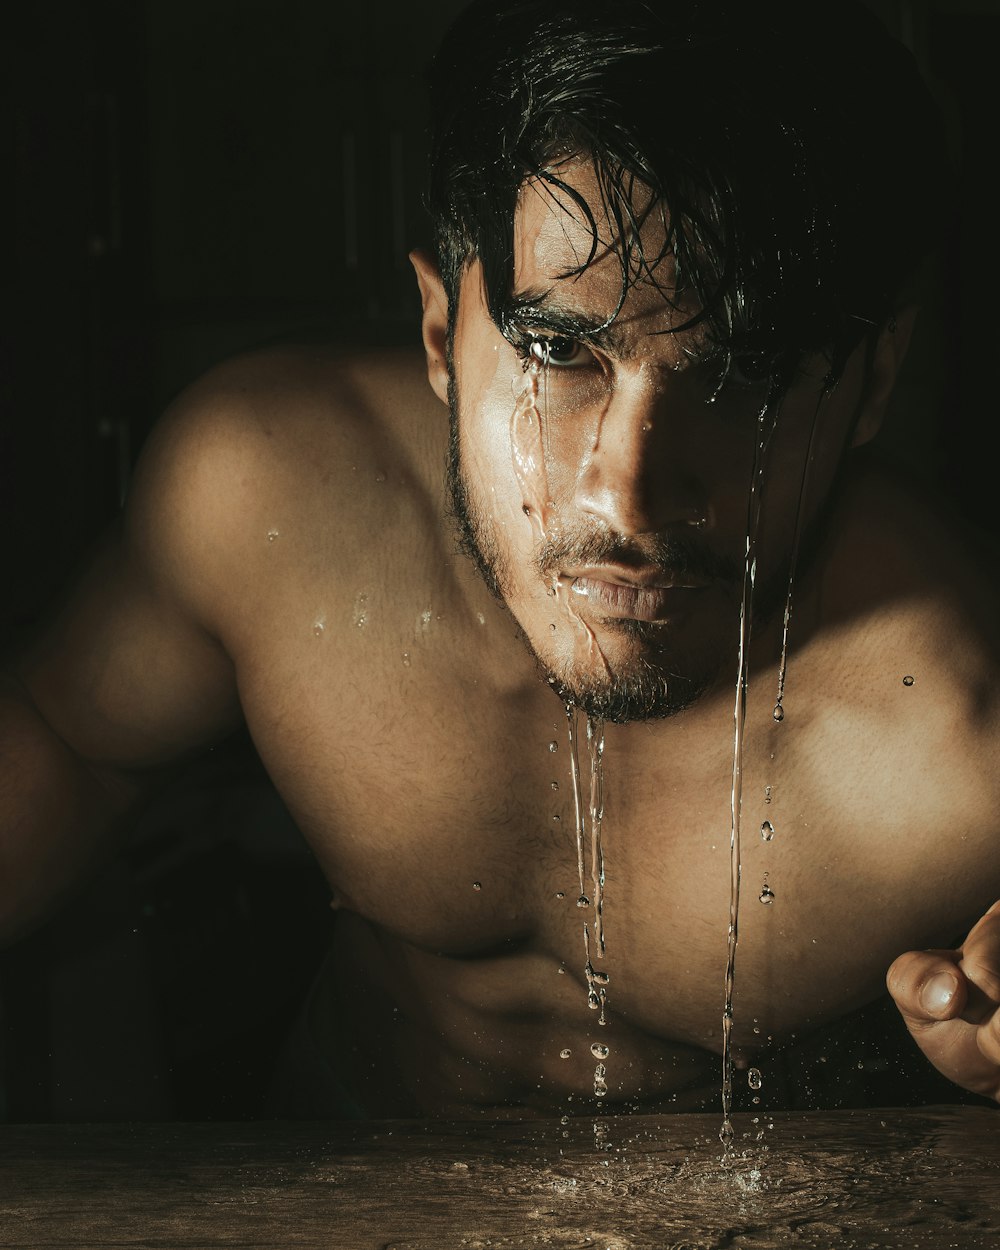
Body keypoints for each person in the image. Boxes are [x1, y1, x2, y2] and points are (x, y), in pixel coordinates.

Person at [1, 0, 998, 1120]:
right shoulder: (265, 498)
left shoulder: (963, 733)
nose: (625, 493)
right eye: (558, 349)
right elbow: (68, 738)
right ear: (440, 330)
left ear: (870, 381)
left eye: (745, 375)